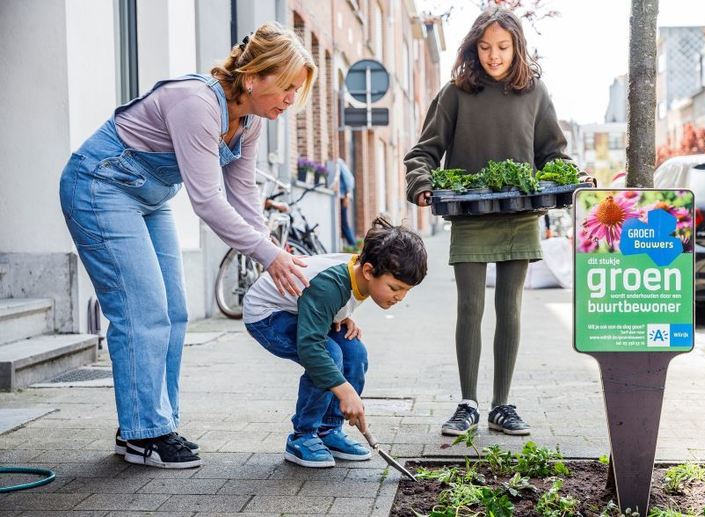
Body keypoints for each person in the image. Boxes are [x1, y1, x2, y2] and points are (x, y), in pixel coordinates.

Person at [58, 22, 316, 469]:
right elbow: (208, 202)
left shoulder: (250, 122)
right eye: (288, 87)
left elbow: (244, 197)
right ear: (254, 76)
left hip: (149, 195)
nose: (292, 100)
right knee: (143, 309)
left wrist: (270, 249)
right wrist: (267, 254)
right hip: (100, 184)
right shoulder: (197, 103)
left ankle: (152, 425)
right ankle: (144, 434)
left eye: (298, 90)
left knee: (174, 310)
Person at [405, 7, 572, 437]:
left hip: (520, 215)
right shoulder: (455, 93)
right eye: (484, 47)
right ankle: (467, 403)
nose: (493, 56)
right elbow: (423, 152)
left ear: (517, 47)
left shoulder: (535, 92)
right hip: (470, 214)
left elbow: (553, 153)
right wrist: (422, 183)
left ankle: (502, 404)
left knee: (510, 309)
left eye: (502, 47)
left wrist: (567, 177)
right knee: (470, 308)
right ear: (472, 49)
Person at [242, 218, 428, 468]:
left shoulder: (358, 274)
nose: (400, 297)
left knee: (354, 353)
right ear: (369, 271)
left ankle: (328, 431)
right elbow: (311, 347)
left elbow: (325, 301)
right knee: (328, 354)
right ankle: (302, 436)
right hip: (266, 315)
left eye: (406, 290)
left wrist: (342, 316)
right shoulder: (330, 285)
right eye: (395, 287)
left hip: (299, 309)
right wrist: (345, 391)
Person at [336, 158, 357, 248]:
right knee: (342, 223)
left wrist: (347, 195)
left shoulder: (339, 162)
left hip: (343, 197)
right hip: (340, 197)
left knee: (344, 223)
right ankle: (350, 245)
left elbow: (350, 180)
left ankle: (353, 245)